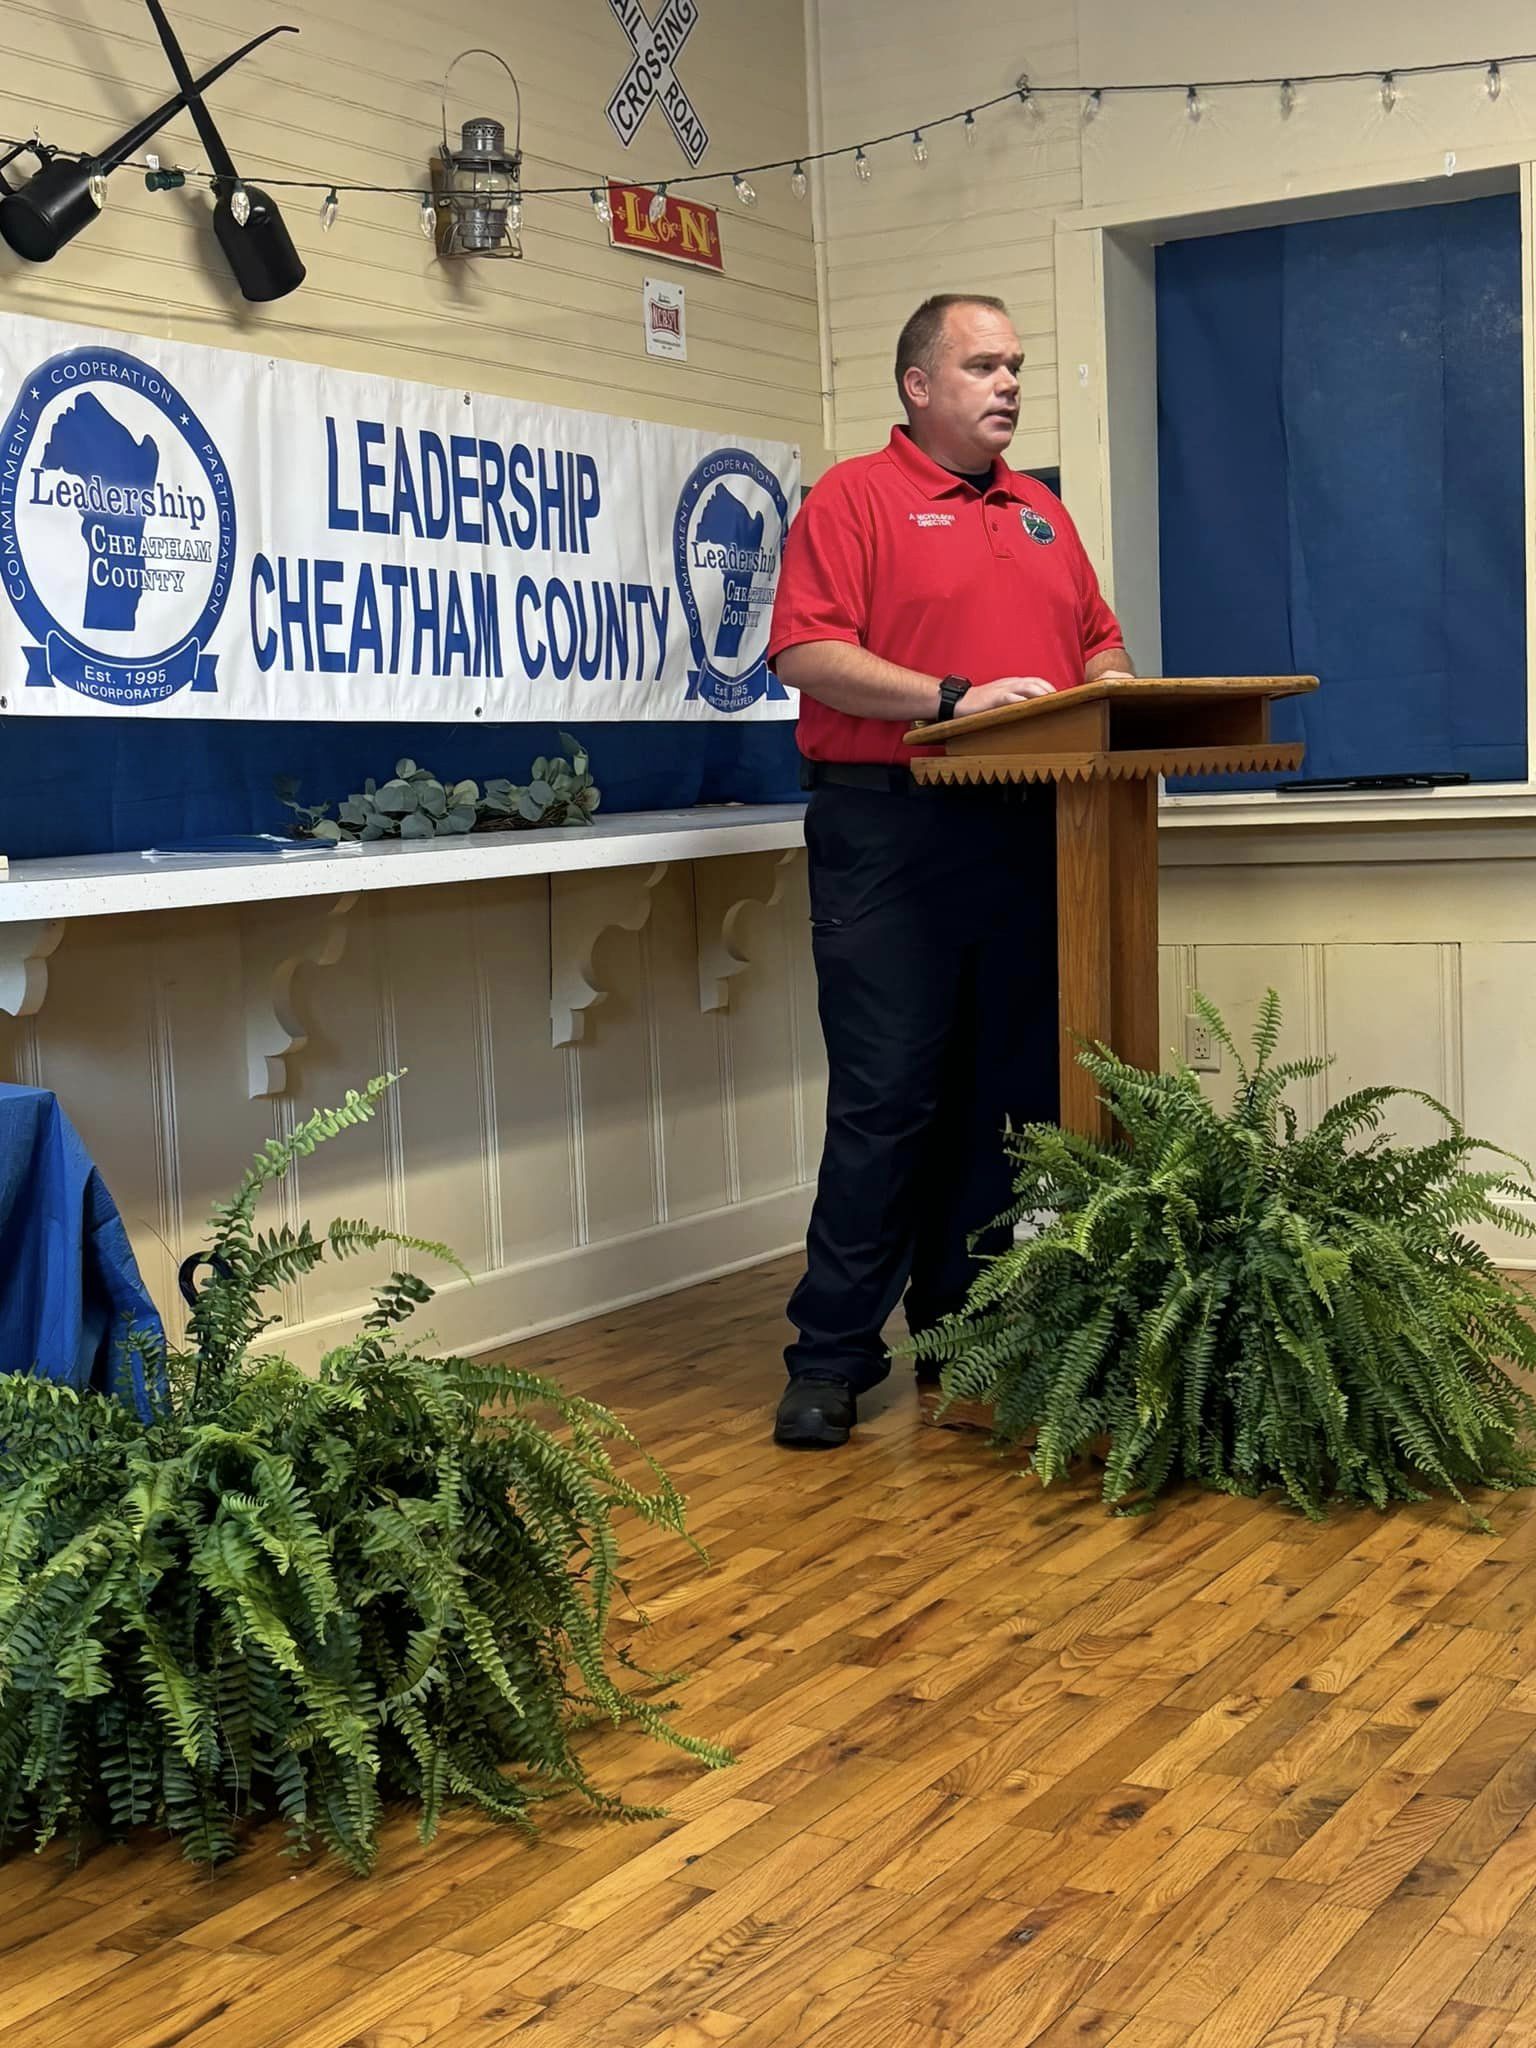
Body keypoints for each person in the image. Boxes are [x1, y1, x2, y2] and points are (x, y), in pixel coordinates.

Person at [766, 293, 1133, 1449]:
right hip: (893, 828)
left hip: (1031, 828)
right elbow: (807, 651)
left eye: (1015, 364)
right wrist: (953, 698)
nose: (1009, 382)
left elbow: (1101, 642)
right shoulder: (854, 497)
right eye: (983, 365)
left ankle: (958, 1330)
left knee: (1004, 1096)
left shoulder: (1042, 513)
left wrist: (1107, 687)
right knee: (889, 1097)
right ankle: (831, 1354)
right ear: (917, 385)